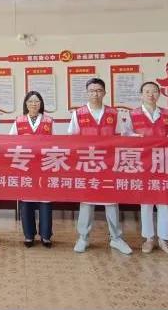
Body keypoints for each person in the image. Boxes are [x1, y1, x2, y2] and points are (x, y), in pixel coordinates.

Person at [68, 77, 132, 255]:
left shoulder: (113, 113)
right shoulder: (78, 114)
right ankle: (83, 238)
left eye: (98, 90)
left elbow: (120, 137)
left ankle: (116, 238)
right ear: (86, 93)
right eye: (92, 91)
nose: (95, 94)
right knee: (86, 202)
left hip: (108, 165)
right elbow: (71, 139)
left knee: (111, 202)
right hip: (87, 164)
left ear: (104, 92)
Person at [123, 81, 168, 256]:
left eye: (154, 91)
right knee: (146, 202)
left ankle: (164, 240)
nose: (151, 95)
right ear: (141, 95)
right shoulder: (133, 114)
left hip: (163, 162)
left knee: (164, 201)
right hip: (143, 163)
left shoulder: (167, 114)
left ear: (159, 94)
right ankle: (149, 238)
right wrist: (138, 137)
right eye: (147, 91)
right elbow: (126, 135)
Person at [9, 91, 54, 248]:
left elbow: (55, 144)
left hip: (44, 167)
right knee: (26, 201)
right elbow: (10, 142)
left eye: (37, 101)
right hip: (25, 167)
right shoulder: (18, 121)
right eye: (30, 101)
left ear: (41, 104)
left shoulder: (49, 121)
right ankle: (29, 235)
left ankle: (46, 236)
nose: (34, 104)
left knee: (45, 201)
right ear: (26, 104)